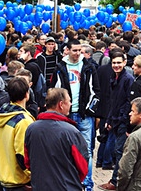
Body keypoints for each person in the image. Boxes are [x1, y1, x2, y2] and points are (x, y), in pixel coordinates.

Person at [49, 39, 99, 191]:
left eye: (80, 50)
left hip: (83, 114)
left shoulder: (89, 66)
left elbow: (96, 90)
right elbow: (54, 90)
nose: (78, 53)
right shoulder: (60, 67)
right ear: (68, 50)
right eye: (75, 50)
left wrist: (90, 109)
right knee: (64, 149)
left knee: (86, 151)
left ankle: (87, 184)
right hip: (65, 115)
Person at [24, 88, 89, 191]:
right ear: (61, 104)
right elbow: (83, 165)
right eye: (69, 101)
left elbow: (27, 162)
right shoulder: (71, 132)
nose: (71, 104)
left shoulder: (31, 129)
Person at [98, 51, 134, 191]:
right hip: (114, 119)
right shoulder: (113, 77)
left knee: (120, 152)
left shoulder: (128, 79)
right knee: (117, 151)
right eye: (114, 63)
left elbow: (128, 102)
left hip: (123, 121)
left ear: (124, 63)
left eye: (119, 62)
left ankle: (116, 182)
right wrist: (109, 119)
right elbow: (113, 101)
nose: (116, 65)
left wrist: (121, 119)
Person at [0, 77, 35, 190]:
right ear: (27, 94)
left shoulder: (0, 117)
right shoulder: (23, 121)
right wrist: (33, 177)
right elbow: (23, 155)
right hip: (20, 182)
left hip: (3, 179)